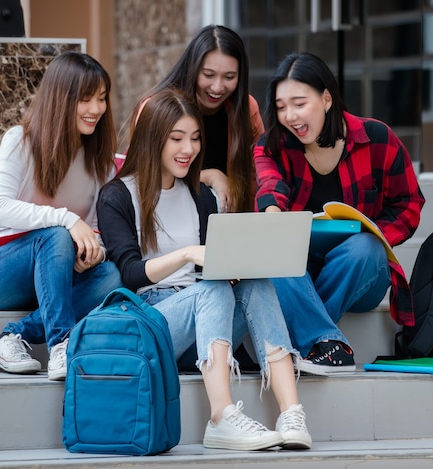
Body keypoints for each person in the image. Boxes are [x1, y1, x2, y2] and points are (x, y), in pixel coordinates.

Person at [97, 89, 311, 451]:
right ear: (152, 139)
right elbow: (131, 274)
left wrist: (234, 266)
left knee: (255, 283)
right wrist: (186, 255)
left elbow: (216, 265)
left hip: (206, 326)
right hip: (154, 322)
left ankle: (292, 413)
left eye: (195, 138)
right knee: (211, 288)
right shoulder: (117, 195)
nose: (189, 149)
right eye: (177, 138)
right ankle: (221, 417)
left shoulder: (200, 195)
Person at [254, 52, 425, 375]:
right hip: (297, 272)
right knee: (274, 252)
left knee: (364, 248)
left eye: (299, 103)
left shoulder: (377, 139)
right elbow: (269, 184)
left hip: (359, 275)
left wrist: (372, 232)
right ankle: (328, 345)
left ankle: (308, 333)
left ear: (327, 98)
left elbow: (409, 203)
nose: (289, 116)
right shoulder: (271, 145)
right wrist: (272, 213)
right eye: (280, 107)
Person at [0, 51, 122, 381]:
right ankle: (61, 342)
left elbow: (94, 229)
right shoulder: (20, 141)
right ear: (61, 99)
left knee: (112, 276)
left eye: (101, 99)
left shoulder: (99, 162)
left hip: (54, 277)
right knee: (56, 234)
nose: (96, 110)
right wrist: (65, 219)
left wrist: (91, 253)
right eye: (85, 99)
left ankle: (12, 337)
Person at [129, 24, 264, 213]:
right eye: (208, 75)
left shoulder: (246, 109)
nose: (217, 87)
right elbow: (144, 174)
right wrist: (209, 176)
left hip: (228, 220)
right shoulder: (158, 108)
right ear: (192, 68)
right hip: (166, 218)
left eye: (229, 77)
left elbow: (258, 172)